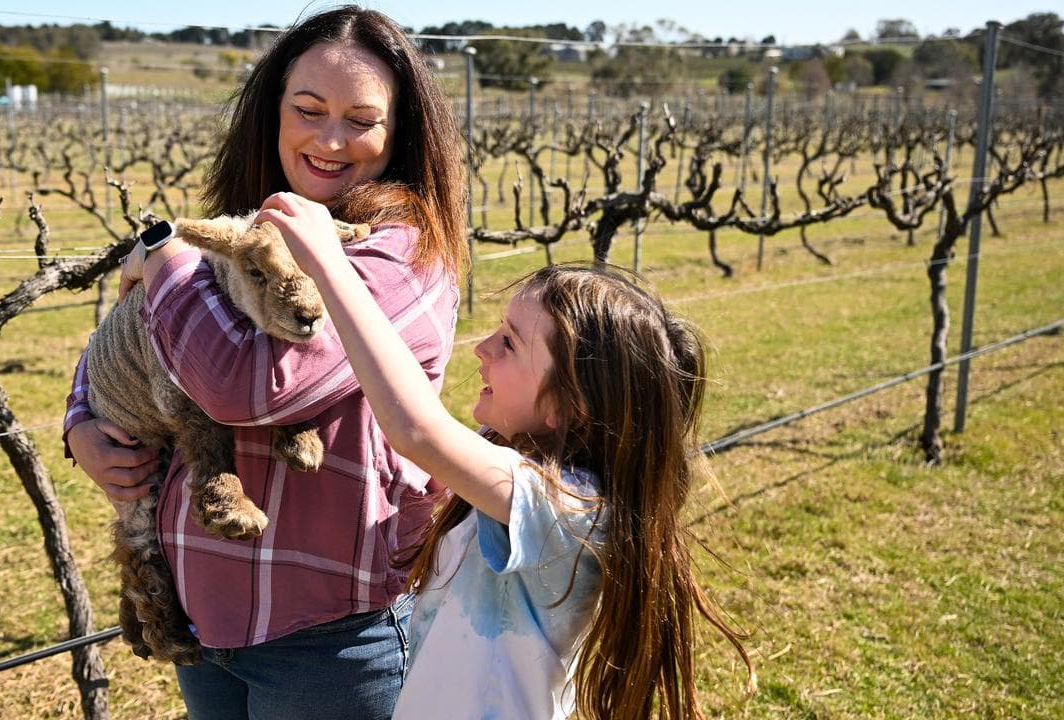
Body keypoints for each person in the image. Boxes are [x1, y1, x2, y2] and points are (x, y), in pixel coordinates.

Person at [63, 6, 467, 719]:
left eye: (362, 119)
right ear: (272, 113)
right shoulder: (255, 230)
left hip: (328, 636)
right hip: (209, 613)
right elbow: (137, 339)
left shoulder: (400, 254)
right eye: (308, 110)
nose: (331, 139)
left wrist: (165, 254)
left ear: (399, 130)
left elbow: (245, 387)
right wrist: (81, 425)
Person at [258, 189, 758, 719]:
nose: (482, 349)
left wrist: (329, 265)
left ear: (570, 407)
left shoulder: (571, 512)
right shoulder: (517, 468)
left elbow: (416, 428)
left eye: (511, 343)